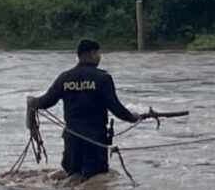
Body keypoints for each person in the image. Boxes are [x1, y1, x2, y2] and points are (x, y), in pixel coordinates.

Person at [26, 39, 149, 180]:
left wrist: (32, 102)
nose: (99, 57)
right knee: (96, 181)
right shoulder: (103, 78)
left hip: (72, 141)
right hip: (95, 141)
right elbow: (115, 107)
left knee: (73, 179)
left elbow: (45, 102)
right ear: (92, 54)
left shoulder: (65, 78)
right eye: (98, 53)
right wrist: (133, 117)